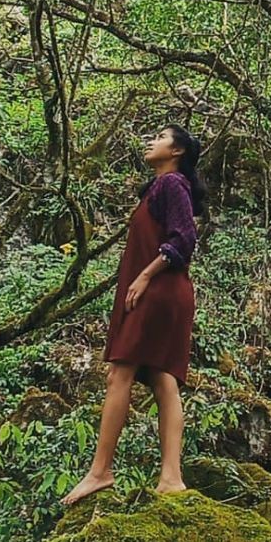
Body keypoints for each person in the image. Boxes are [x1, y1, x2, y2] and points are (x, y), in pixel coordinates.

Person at [60, 123, 206, 506]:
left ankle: (100, 472)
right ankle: (171, 478)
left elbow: (183, 240)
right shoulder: (160, 188)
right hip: (166, 294)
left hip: (158, 292)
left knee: (120, 372)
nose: (151, 140)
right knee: (162, 378)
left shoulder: (172, 185)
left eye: (160, 136)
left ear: (176, 152)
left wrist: (143, 276)